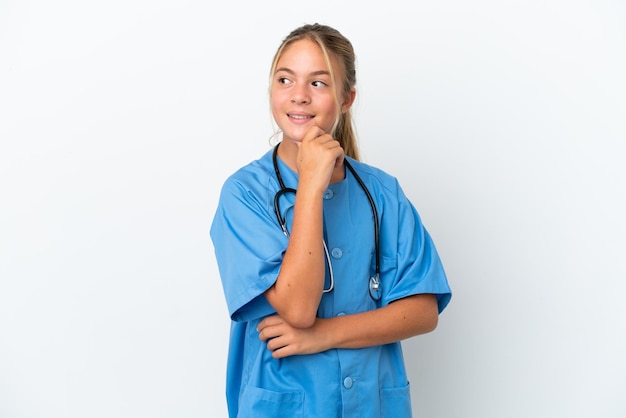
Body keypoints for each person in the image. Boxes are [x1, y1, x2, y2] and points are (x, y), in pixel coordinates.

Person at [210, 23, 452, 418]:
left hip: (372, 405)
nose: (299, 96)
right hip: (284, 406)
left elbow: (423, 309)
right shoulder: (244, 194)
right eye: (285, 79)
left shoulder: (381, 192)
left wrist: (323, 336)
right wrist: (310, 186)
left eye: (319, 83)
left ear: (346, 98)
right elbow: (298, 310)